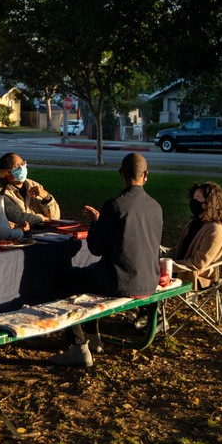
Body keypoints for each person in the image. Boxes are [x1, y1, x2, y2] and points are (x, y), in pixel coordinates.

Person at [48, 152, 164, 367]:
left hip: (119, 281)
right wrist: (102, 222)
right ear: (146, 175)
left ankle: (78, 346)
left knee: (64, 282)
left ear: (121, 174)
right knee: (89, 276)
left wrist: (95, 224)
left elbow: (96, 247)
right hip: (150, 279)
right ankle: (93, 337)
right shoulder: (155, 206)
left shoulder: (115, 206)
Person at [164, 181, 222, 289]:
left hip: (196, 277)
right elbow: (177, 250)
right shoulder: (194, 223)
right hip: (178, 269)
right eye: (193, 198)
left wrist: (167, 267)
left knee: (151, 275)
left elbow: (198, 263)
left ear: (209, 203)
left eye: (197, 198)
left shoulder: (215, 230)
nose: (193, 201)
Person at [0, 152, 60, 229]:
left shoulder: (34, 185)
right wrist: (41, 218)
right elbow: (17, 218)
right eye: (17, 166)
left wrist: (46, 197)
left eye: (23, 164)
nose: (22, 168)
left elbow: (55, 217)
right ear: (5, 172)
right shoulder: (0, 192)